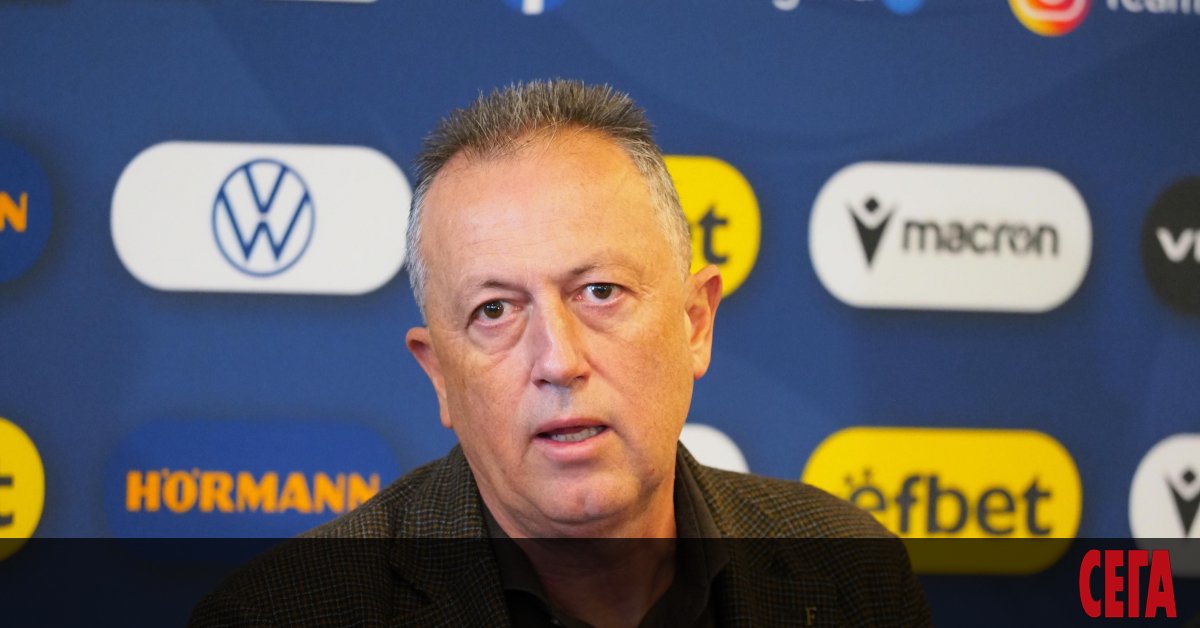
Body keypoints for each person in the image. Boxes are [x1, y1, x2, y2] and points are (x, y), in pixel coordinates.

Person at [191, 79, 931, 627]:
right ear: (439, 373)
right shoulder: (279, 614)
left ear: (695, 323)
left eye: (600, 292)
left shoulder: (850, 576)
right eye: (494, 311)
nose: (558, 360)